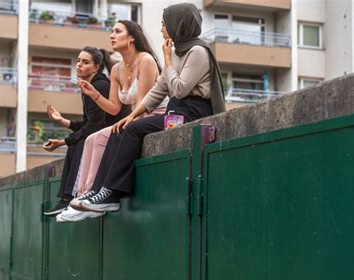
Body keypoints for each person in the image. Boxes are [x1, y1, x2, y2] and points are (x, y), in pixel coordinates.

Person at [70, 3, 225, 217]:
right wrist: (131, 115)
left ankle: (111, 193)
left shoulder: (197, 51)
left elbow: (179, 89)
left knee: (133, 131)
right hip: (177, 111)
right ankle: (99, 192)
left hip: (192, 113)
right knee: (121, 128)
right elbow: (159, 90)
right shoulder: (178, 51)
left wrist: (168, 59)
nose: (162, 29)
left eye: (164, 24)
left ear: (177, 25)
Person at [56, 20, 166, 222]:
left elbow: (142, 105)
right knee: (92, 140)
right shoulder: (116, 69)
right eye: (112, 31)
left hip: (154, 115)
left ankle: (97, 195)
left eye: (117, 31)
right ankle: (84, 197)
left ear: (131, 37)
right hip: (135, 116)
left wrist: (126, 122)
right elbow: (115, 107)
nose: (111, 35)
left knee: (105, 136)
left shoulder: (146, 60)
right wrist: (94, 94)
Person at [43, 47, 129, 216]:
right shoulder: (88, 86)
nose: (79, 65)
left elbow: (94, 127)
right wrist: (62, 121)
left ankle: (73, 197)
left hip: (113, 135)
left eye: (85, 62)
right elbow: (88, 123)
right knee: (76, 144)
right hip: (99, 133)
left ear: (96, 67)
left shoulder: (100, 85)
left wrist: (64, 142)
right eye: (78, 61)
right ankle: (67, 199)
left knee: (78, 144)